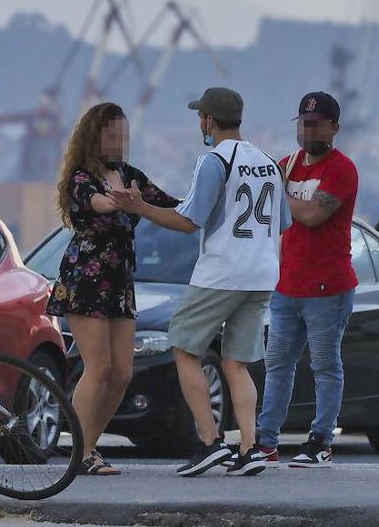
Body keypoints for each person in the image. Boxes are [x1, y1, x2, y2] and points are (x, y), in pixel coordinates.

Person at [110, 87, 290, 478]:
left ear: (208, 120)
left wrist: (138, 206)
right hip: (262, 273)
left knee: (183, 347)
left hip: (222, 272)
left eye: (200, 118)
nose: (200, 124)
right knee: (236, 363)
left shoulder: (213, 162)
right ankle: (250, 447)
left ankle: (210, 442)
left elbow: (187, 221)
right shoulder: (270, 163)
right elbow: (283, 223)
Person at [46, 103, 180, 476]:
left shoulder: (131, 175)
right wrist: (122, 201)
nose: (119, 142)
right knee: (99, 366)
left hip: (120, 283)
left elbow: (169, 204)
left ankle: (89, 446)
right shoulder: (81, 178)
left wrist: (205, 205)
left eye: (123, 134)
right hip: (86, 280)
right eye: (111, 134)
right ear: (94, 137)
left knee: (121, 372)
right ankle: (82, 452)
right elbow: (99, 202)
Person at [257, 91, 359, 468]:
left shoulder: (341, 168)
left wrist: (280, 194)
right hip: (287, 287)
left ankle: (321, 439)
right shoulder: (288, 164)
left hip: (328, 288)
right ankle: (266, 441)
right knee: (277, 366)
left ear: (334, 127)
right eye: (304, 122)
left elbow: (315, 214)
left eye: (316, 123)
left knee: (325, 365)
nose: (308, 129)